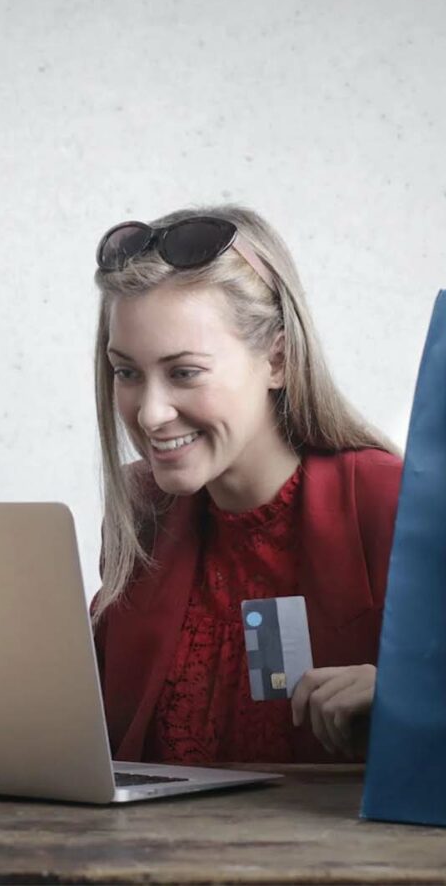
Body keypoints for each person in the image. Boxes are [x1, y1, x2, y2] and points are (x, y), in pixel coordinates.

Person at [89, 206, 402, 764]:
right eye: (127, 372)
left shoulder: (388, 502)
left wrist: (413, 697)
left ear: (277, 359)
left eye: (184, 372)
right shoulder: (143, 513)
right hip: (151, 850)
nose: (151, 413)